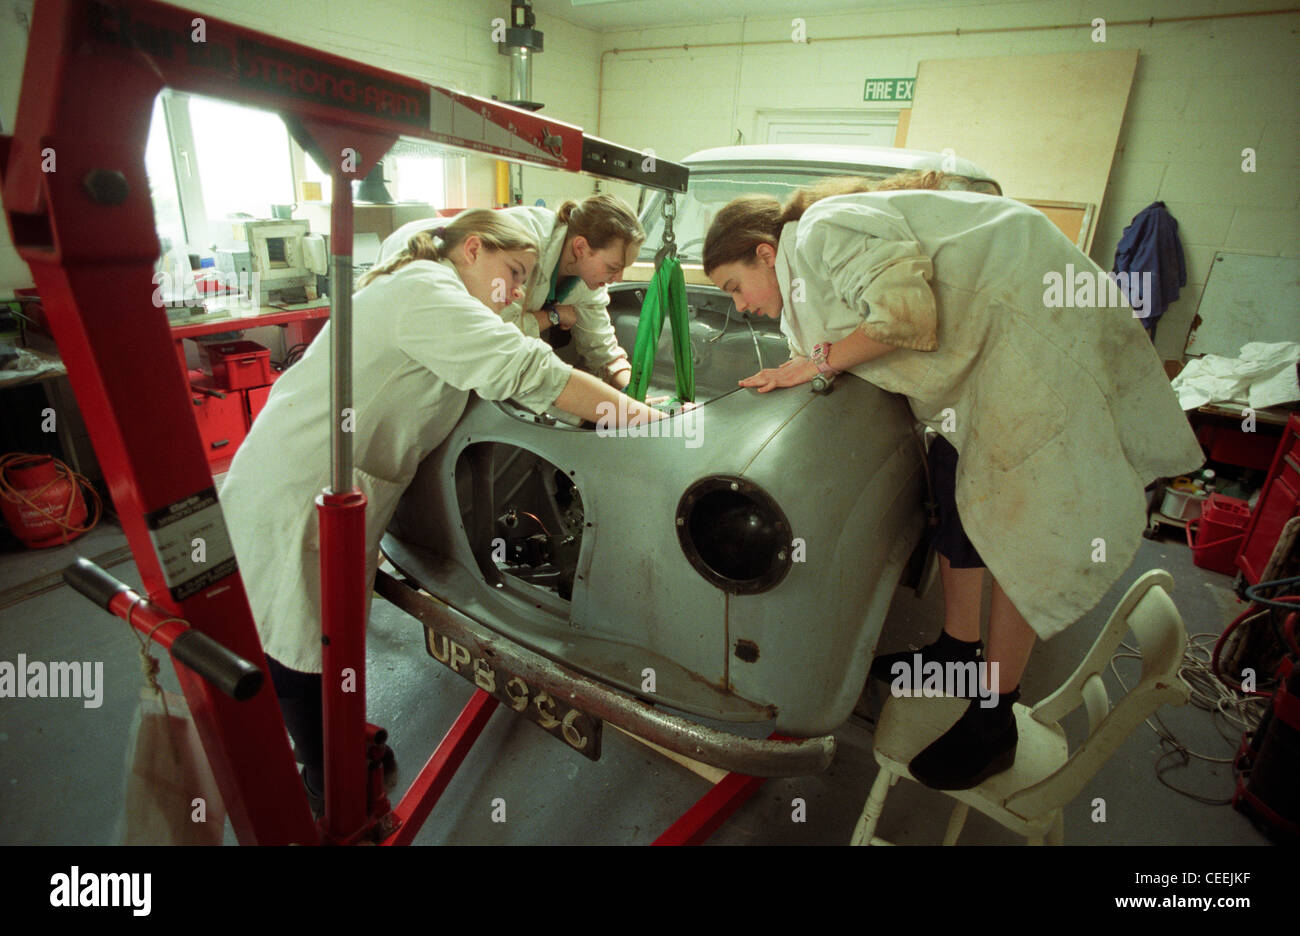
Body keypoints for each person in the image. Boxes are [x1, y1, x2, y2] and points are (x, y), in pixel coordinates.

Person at [703, 172, 1204, 790]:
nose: (742, 305)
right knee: (950, 475)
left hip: (1031, 334)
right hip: (989, 343)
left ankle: (996, 717)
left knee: (1025, 516)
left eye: (735, 287)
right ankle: (955, 652)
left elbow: (903, 318)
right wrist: (805, 366)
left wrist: (817, 361)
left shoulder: (823, 233)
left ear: (765, 253)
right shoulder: (809, 259)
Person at [222, 209, 663, 810]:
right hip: (301, 481)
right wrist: (648, 422)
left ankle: (331, 749)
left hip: (335, 478)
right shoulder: (424, 291)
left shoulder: (436, 287)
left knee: (319, 629)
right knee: (300, 633)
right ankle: (331, 786)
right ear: (472, 249)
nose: (512, 293)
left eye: (525, 279)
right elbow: (525, 368)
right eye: (511, 271)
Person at [380, 194, 644, 389]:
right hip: (410, 265)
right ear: (581, 247)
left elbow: (603, 351)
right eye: (613, 266)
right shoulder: (522, 244)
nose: (617, 278)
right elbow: (502, 333)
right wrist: (552, 316)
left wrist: (633, 394)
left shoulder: (590, 280)